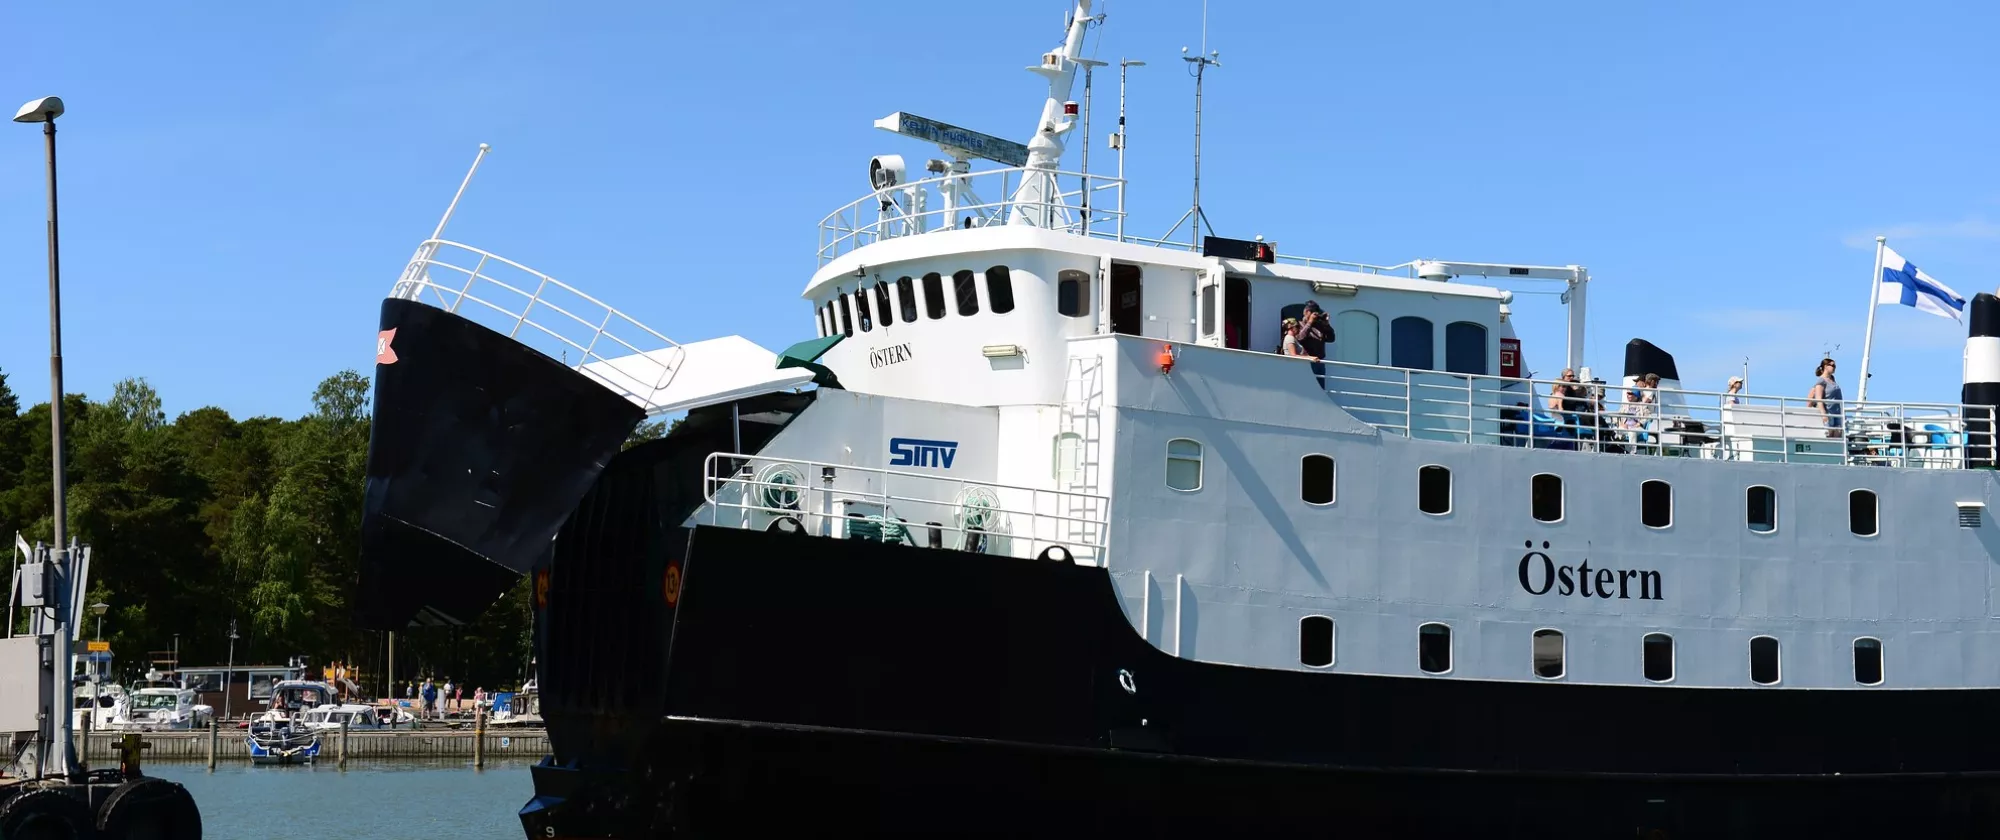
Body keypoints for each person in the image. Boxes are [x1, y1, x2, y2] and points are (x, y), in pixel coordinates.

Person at [1296, 301, 1334, 387]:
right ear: (1306, 312)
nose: (1316, 315)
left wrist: (1327, 325)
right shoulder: (1300, 324)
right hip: (1307, 361)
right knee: (1306, 387)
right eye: (1314, 313)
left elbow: (1331, 339)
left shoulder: (1320, 326)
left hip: (1319, 362)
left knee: (1320, 388)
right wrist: (1309, 322)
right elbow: (1300, 338)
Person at [1807, 358, 1842, 438]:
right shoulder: (1821, 381)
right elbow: (1819, 399)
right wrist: (1823, 414)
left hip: (1837, 412)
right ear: (1826, 366)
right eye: (1832, 365)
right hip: (1829, 412)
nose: (1834, 367)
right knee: (1829, 434)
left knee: (1838, 433)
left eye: (1835, 366)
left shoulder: (1832, 379)